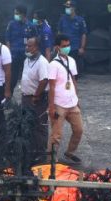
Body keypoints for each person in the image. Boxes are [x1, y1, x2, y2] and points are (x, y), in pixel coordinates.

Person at [48, 34, 83, 165]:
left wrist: (77, 98)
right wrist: (51, 106)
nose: (67, 48)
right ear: (57, 47)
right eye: (64, 46)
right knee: (56, 135)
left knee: (79, 130)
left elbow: (73, 80)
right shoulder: (53, 65)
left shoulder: (72, 61)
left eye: (68, 45)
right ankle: (51, 159)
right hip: (59, 104)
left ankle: (70, 152)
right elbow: (51, 86)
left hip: (72, 102)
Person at [21, 37, 49, 156]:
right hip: (26, 97)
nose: (27, 48)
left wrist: (36, 96)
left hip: (37, 99)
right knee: (27, 124)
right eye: (26, 45)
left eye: (30, 46)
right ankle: (30, 150)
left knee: (39, 125)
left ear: (36, 47)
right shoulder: (26, 60)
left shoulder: (42, 62)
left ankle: (40, 153)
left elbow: (44, 80)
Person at [5, 5, 37, 93]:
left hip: (26, 56)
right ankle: (8, 96)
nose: (15, 15)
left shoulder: (31, 26)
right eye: (15, 13)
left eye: (17, 13)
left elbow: (35, 41)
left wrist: (32, 53)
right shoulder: (11, 24)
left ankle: (27, 97)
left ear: (23, 14)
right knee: (12, 78)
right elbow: (7, 39)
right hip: (14, 56)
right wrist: (8, 53)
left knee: (27, 78)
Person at [58, 0, 87, 76]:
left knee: (74, 70)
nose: (66, 9)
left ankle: (73, 83)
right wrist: (57, 45)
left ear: (73, 8)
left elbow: (83, 34)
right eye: (66, 7)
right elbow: (59, 33)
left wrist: (82, 47)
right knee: (63, 68)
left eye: (68, 7)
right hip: (63, 48)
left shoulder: (80, 20)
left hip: (74, 48)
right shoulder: (62, 19)